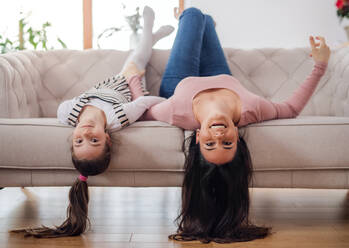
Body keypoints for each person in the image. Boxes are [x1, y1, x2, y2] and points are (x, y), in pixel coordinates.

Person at [140, 7, 330, 243]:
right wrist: (320, 65)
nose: (218, 133)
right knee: (206, 21)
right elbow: (290, 109)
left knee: (192, 14)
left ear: (198, 137)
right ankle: (206, 25)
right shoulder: (251, 109)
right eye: (226, 142)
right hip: (224, 79)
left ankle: (190, 19)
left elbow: (143, 108)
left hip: (180, 83)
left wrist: (133, 75)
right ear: (238, 138)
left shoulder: (175, 112)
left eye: (210, 144)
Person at [11, 6, 173, 238]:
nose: (86, 132)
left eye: (79, 140)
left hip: (102, 85)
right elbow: (144, 103)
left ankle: (149, 38)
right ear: (107, 137)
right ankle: (148, 31)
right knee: (136, 63)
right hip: (127, 85)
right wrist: (168, 102)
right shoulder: (118, 118)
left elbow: (65, 107)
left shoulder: (67, 114)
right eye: (94, 140)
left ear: (72, 138)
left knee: (136, 58)